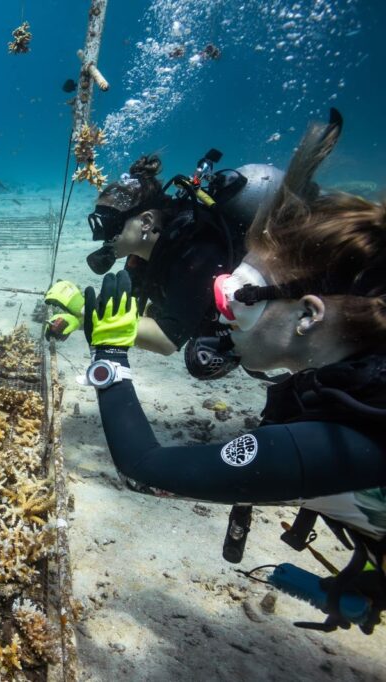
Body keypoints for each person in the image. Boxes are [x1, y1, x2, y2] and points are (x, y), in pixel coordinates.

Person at [80, 110, 386, 633]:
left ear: (309, 315)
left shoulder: (345, 444)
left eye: (235, 296)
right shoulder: (350, 392)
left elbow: (147, 464)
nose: (219, 311)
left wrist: (110, 358)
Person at [46, 152, 284, 378]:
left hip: (277, 325)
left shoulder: (196, 250)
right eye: (99, 225)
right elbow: (127, 312)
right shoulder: (140, 256)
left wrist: (84, 310)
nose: (102, 236)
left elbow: (166, 339)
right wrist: (81, 322)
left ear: (147, 221)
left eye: (110, 225)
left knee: (199, 362)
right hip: (205, 313)